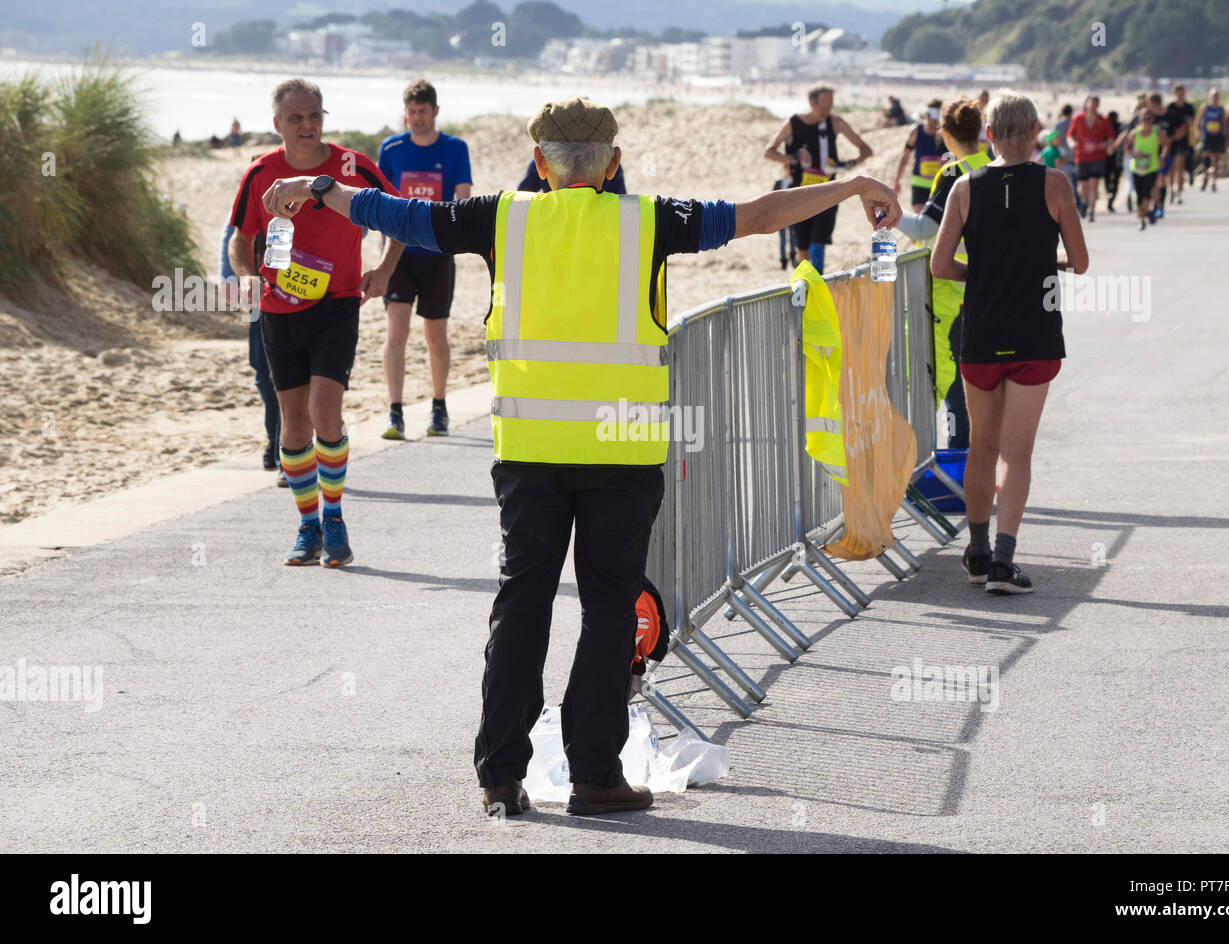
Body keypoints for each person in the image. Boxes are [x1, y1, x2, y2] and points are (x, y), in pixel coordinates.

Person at [261, 96, 902, 816]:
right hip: (621, 453)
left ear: (539, 164)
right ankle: (595, 775)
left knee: (522, 604)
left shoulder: (503, 217)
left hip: (529, 451)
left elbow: (394, 215)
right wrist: (851, 187)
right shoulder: (648, 221)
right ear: (614, 164)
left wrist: (322, 189)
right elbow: (756, 214)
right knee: (606, 611)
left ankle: (501, 776)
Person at [228, 78, 402, 567]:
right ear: (278, 124)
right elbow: (240, 240)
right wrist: (244, 278)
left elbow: (400, 217)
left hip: (338, 303)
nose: (307, 126)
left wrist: (384, 271)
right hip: (280, 309)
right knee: (294, 425)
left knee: (327, 410)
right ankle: (306, 525)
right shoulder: (260, 172)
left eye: (315, 116)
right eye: (296, 118)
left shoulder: (351, 166)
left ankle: (334, 517)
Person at [931, 93, 1088, 595]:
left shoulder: (963, 186)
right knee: (1017, 453)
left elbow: (939, 265)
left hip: (981, 329)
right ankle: (1003, 561)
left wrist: (983, 275)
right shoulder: (1055, 183)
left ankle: (976, 554)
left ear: (990, 134)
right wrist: (1045, 265)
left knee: (982, 445)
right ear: (1036, 132)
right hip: (1034, 332)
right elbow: (1080, 261)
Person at [892, 98, 991, 450]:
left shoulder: (954, 173)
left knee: (953, 390)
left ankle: (957, 474)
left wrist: (890, 212)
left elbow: (922, 229)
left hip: (951, 298)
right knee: (980, 390)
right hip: (991, 296)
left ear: (945, 133)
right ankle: (974, 473)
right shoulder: (995, 166)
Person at [376, 79, 472, 440]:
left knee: (436, 335)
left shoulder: (455, 148)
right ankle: (395, 412)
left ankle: (438, 406)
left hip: (436, 254)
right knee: (396, 331)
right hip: (398, 255)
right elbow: (380, 199)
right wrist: (381, 246)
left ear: (435, 111)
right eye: (411, 112)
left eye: (423, 111)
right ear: (406, 113)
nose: (417, 118)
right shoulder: (392, 148)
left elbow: (463, 198)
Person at [763, 83, 873, 273]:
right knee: (802, 246)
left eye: (830, 107)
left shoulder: (836, 122)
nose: (826, 112)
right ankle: (804, 285)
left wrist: (847, 164)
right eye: (823, 108)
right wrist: (794, 158)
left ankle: (818, 281)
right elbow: (769, 152)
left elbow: (866, 150)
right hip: (797, 193)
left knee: (819, 241)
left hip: (829, 192)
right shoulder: (793, 124)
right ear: (811, 103)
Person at [221, 218, 284, 486]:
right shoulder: (254, 185)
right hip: (261, 299)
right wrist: (230, 281)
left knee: (289, 376)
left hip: (305, 300)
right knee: (262, 374)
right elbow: (231, 234)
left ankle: (287, 453)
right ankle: (274, 437)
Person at [1112, 108, 1165, 231]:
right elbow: (1127, 150)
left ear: (1152, 121)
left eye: (1148, 119)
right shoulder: (1134, 134)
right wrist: (1136, 155)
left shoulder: (1157, 133)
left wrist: (1162, 157)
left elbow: (1166, 144)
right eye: (1143, 119)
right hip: (1136, 168)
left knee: (1147, 193)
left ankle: (1144, 216)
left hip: (1151, 168)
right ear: (1139, 121)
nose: (1146, 122)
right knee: (1139, 195)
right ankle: (1143, 217)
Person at [1066, 95, 1114, 222]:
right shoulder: (1078, 119)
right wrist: (1072, 144)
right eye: (1090, 103)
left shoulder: (1104, 120)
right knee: (1082, 186)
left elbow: (1110, 138)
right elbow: (1070, 136)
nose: (1092, 106)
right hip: (1081, 156)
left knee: (1094, 183)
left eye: (1095, 104)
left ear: (1098, 105)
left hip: (1098, 157)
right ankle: (1084, 202)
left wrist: (1101, 145)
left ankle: (1092, 211)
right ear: (1086, 104)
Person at [892, 98, 945, 212]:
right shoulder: (916, 131)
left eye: (938, 119)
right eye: (933, 118)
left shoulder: (945, 133)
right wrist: (897, 180)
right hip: (919, 182)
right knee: (919, 216)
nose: (935, 122)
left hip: (939, 185)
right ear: (927, 114)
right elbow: (905, 156)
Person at [1165, 85, 1196, 204]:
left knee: (1180, 166)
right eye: (1178, 93)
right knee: (1170, 167)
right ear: (1175, 93)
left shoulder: (1189, 107)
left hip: (1183, 140)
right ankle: (1171, 189)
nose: (1180, 95)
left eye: (1182, 93)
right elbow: (1165, 122)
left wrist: (1187, 127)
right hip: (1170, 139)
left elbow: (1193, 122)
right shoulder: (1170, 107)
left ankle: (1178, 191)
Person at [1197, 88, 1228, 192]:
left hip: (1218, 136)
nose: (1215, 98)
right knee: (1205, 156)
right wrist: (1197, 131)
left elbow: (1224, 123)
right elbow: (1198, 120)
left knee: (1216, 158)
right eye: (1213, 96)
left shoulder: (1221, 109)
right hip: (1207, 136)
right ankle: (1205, 176)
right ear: (1210, 96)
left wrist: (1226, 138)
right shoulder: (1205, 107)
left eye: (1217, 96)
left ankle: (1214, 181)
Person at [1103, 110, 1124, 212]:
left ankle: (1109, 195)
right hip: (1117, 158)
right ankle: (1111, 200)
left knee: (1107, 180)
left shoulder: (1105, 127)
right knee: (1115, 181)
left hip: (1107, 158)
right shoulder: (1120, 127)